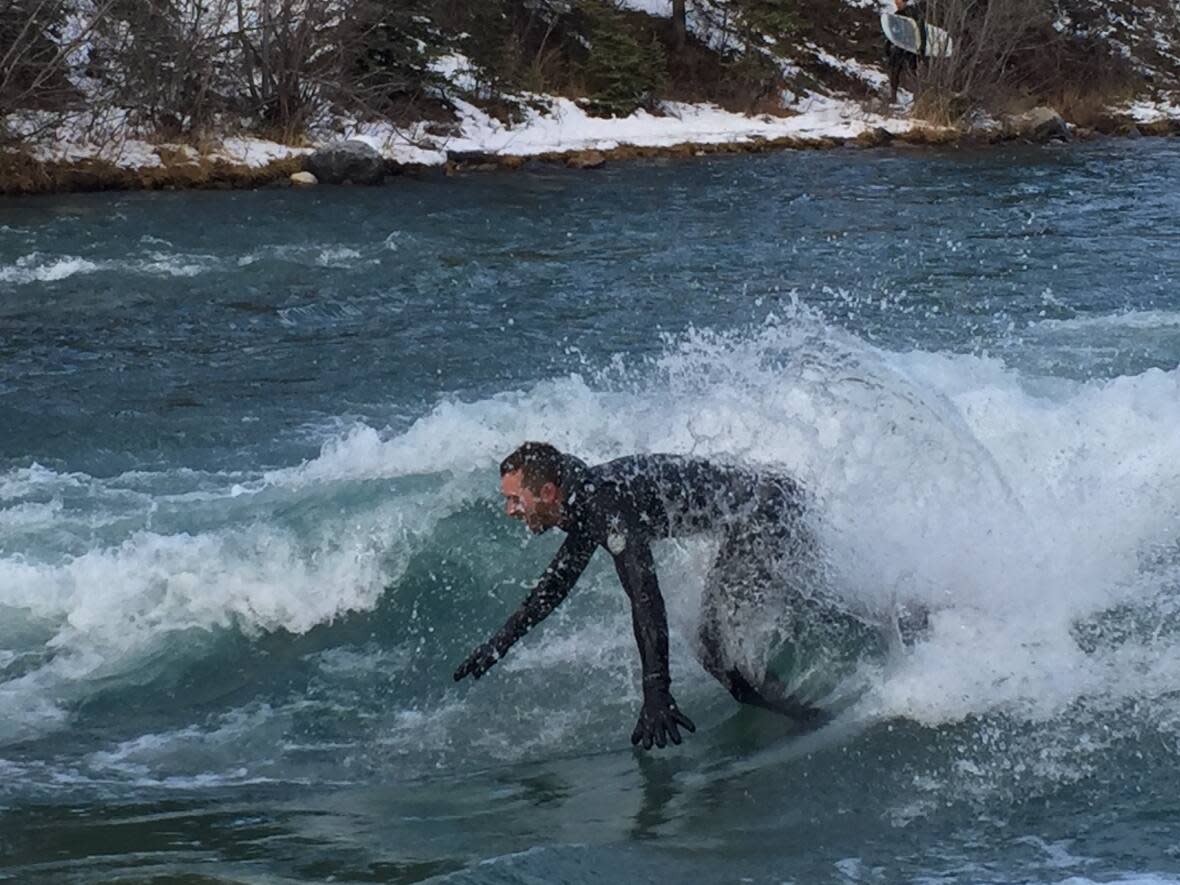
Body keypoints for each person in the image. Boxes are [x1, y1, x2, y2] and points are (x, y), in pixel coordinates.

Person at [453, 442, 830, 751]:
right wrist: (501, 641)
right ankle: (797, 712)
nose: (509, 511)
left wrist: (655, 690)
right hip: (763, 504)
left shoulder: (603, 505)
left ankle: (811, 716)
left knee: (713, 643)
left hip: (766, 512)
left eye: (515, 500)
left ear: (548, 493)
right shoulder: (577, 494)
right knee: (716, 644)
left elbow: (644, 596)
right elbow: (558, 582)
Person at [886, 0, 928, 103]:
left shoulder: (914, 14)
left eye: (899, 2)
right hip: (899, 47)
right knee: (894, 70)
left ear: (904, 2)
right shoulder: (897, 15)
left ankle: (916, 98)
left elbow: (921, 31)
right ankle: (893, 97)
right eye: (896, 2)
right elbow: (893, 32)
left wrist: (921, 49)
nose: (897, 4)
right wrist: (887, 46)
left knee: (912, 72)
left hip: (911, 47)